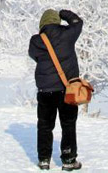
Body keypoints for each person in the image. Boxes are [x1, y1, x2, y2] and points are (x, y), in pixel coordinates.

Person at [28, 9, 83, 171]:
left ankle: (44, 159)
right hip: (68, 89)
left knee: (44, 125)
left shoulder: (36, 41)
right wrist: (63, 13)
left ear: (42, 24)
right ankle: (69, 159)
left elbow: (34, 56)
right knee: (68, 125)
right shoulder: (67, 34)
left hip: (45, 90)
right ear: (56, 22)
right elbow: (78, 22)